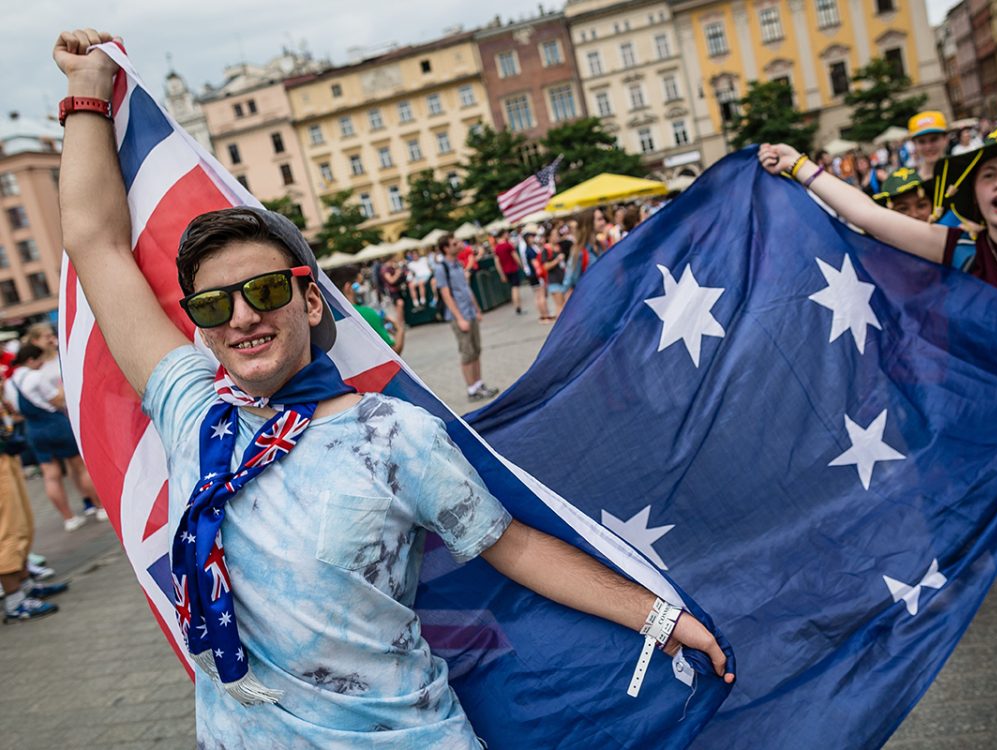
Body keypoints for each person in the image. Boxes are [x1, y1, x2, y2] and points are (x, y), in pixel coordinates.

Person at [54, 28, 730, 748]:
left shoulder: (392, 433)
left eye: (263, 291)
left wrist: (659, 616)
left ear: (310, 302)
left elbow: (514, 547)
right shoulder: (193, 411)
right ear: (201, 327)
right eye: (216, 304)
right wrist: (86, 92)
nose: (243, 315)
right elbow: (94, 240)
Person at [760, 125, 997, 750]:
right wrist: (800, 168)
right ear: (973, 194)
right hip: (996, 465)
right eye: (989, 177)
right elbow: (872, 218)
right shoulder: (958, 253)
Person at [7, 345, 101, 532]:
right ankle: (100, 507)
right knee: (79, 467)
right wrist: (62, 388)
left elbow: (15, 410)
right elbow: (56, 400)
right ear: (30, 360)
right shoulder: (35, 377)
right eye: (39, 359)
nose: (42, 363)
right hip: (55, 425)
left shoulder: (10, 382)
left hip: (33, 430)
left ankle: (69, 518)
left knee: (50, 476)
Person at [22, 323, 103, 519]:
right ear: (35, 341)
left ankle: (91, 500)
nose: (51, 339)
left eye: (51, 335)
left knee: (75, 464)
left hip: (68, 414)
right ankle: (91, 502)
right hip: (60, 417)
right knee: (72, 465)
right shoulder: (37, 367)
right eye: (45, 336)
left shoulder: (61, 354)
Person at [0, 408, 68, 623]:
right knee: (8, 530)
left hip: (5, 452)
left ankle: (25, 586)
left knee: (22, 524)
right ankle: (14, 601)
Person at [432, 235, 497, 402]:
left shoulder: (458, 264)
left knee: (476, 350)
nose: (459, 245)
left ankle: (479, 384)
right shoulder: (441, 268)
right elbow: (446, 295)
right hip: (458, 315)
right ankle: (471, 389)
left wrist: (476, 308)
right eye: (455, 244)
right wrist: (459, 318)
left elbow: (466, 289)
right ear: (446, 248)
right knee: (467, 353)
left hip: (469, 312)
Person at [327, 265, 403, 355]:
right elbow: (393, 352)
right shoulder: (366, 313)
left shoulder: (324, 316)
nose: (364, 288)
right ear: (348, 287)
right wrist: (399, 329)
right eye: (360, 284)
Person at [908, 110, 951, 181]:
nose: (928, 147)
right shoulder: (911, 184)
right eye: (921, 142)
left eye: (934, 139)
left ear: (946, 139)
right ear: (914, 144)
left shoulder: (964, 172)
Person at [492, 231, 525, 314]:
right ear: (503, 235)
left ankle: (517, 306)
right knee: (515, 288)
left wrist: (501, 274)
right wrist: (522, 266)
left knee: (513, 287)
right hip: (513, 269)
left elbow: (497, 263)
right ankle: (518, 306)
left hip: (506, 271)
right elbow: (515, 257)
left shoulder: (496, 248)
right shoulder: (508, 245)